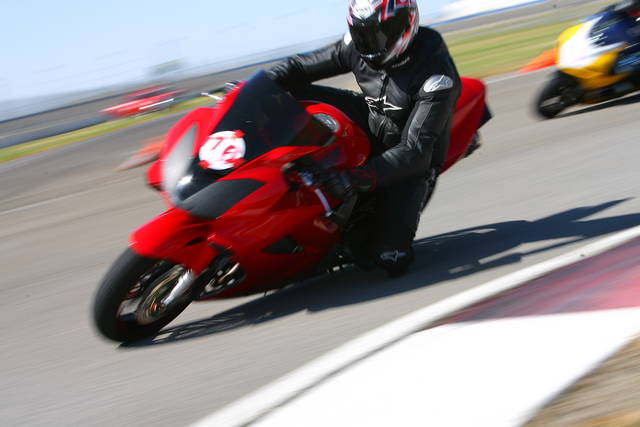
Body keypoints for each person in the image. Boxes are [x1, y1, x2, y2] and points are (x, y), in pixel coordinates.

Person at [267, 0, 462, 277]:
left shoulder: (435, 76)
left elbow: (415, 151)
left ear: (404, 26)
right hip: (373, 118)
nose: (368, 44)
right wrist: (256, 85)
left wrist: (353, 179)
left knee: (389, 258)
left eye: (377, 35)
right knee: (285, 93)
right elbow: (299, 66)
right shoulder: (356, 47)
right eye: (362, 33)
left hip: (409, 157)